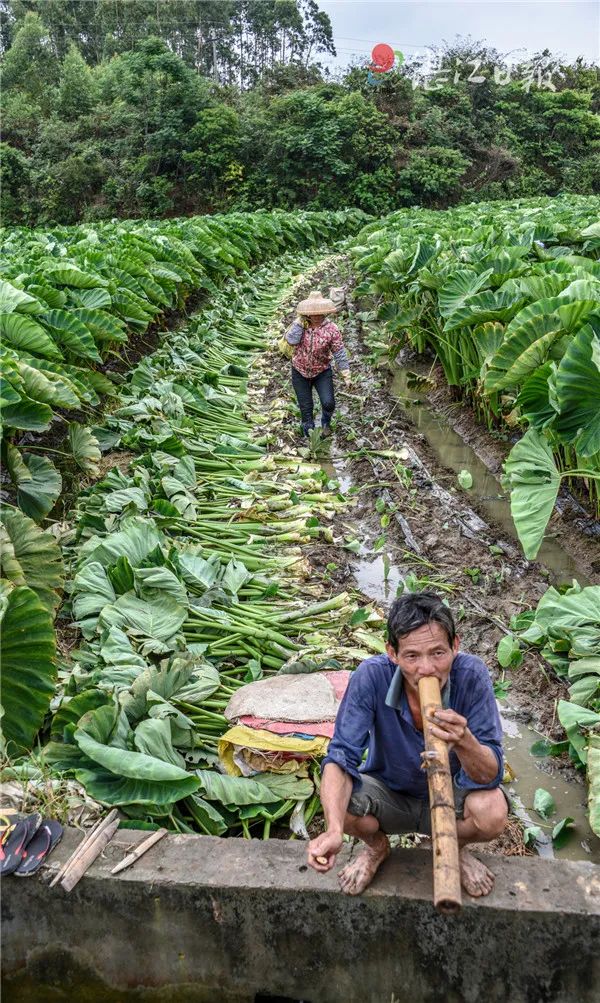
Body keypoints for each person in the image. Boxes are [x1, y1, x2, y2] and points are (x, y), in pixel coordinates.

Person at [307, 591, 509, 898]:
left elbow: (489, 773)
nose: (426, 668)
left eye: (438, 653)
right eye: (412, 656)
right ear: (392, 653)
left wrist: (465, 742)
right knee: (340, 804)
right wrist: (334, 830)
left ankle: (452, 845)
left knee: (492, 810)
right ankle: (376, 848)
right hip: (391, 792)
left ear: (455, 646)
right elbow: (341, 756)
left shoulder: (472, 675)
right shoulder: (372, 676)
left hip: (451, 793)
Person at [285, 290, 350, 437]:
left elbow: (338, 352)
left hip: (321, 371)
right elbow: (291, 341)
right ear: (307, 313)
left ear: (324, 312)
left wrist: (346, 373)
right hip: (299, 371)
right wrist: (299, 322)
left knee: (328, 403)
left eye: (319, 313)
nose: (316, 316)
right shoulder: (300, 325)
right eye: (312, 313)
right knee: (306, 409)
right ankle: (310, 438)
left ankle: (326, 423)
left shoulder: (332, 329)